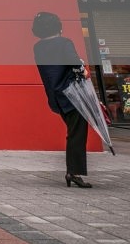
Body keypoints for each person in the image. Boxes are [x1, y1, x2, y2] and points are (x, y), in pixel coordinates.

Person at [32, 11, 92, 188]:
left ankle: (72, 171)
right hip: (72, 94)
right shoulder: (64, 43)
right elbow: (75, 63)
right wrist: (83, 69)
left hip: (56, 96)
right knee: (77, 134)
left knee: (73, 132)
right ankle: (73, 172)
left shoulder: (38, 47)